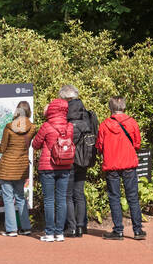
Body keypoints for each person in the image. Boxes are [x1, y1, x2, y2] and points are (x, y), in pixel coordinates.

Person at [98, 96, 146, 240]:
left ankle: (118, 230)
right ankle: (138, 230)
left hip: (111, 164)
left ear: (110, 108)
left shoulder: (105, 124)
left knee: (114, 197)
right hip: (129, 163)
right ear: (124, 107)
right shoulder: (132, 123)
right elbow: (137, 144)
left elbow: (100, 146)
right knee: (132, 197)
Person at [0, 101, 37, 236]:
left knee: (8, 198)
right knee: (21, 197)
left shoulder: (9, 127)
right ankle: (26, 227)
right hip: (21, 167)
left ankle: (11, 229)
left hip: (7, 167)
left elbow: (3, 148)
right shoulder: (32, 128)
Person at [31, 96, 74, 242]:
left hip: (48, 166)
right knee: (61, 199)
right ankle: (59, 233)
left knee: (49, 200)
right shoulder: (70, 127)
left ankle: (49, 233)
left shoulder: (46, 126)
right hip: (65, 165)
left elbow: (35, 145)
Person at [61, 85, 99, 239]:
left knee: (67, 195)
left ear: (65, 98)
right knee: (79, 193)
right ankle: (82, 226)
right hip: (85, 158)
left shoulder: (66, 115)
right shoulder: (87, 114)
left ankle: (71, 227)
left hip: (68, 159)